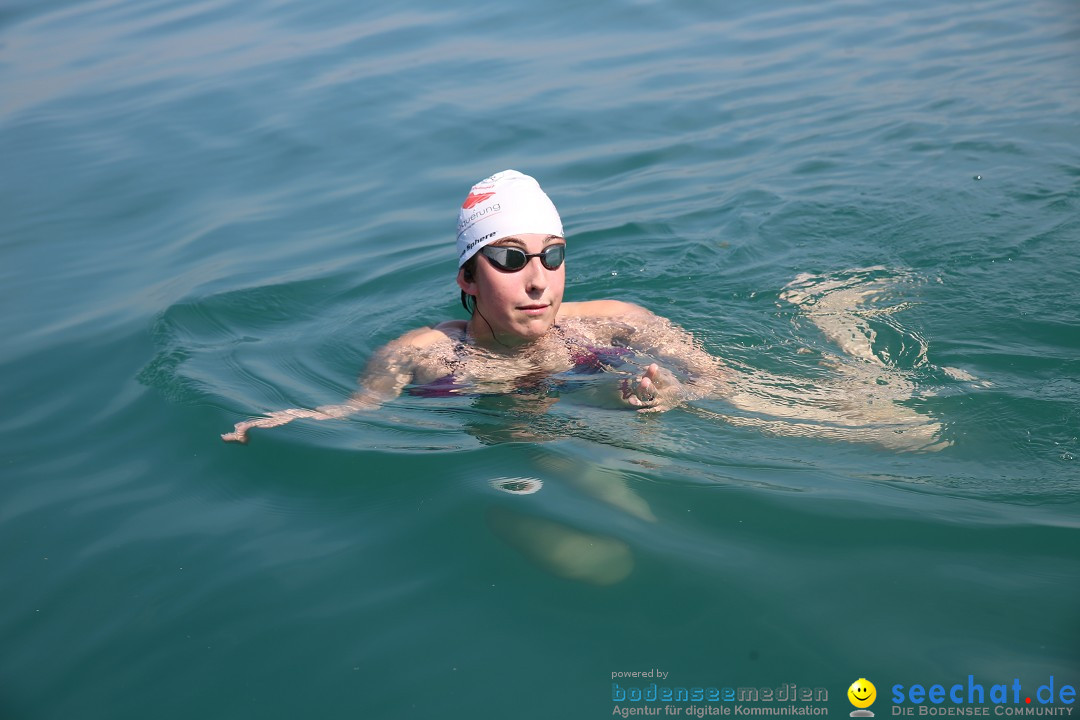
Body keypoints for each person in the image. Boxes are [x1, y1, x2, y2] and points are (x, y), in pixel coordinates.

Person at [222, 170, 725, 443]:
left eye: (552, 256)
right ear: (467, 276)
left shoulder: (617, 322)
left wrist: (673, 395)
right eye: (509, 259)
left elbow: (722, 383)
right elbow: (355, 410)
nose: (538, 282)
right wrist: (290, 419)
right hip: (518, 454)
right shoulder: (420, 355)